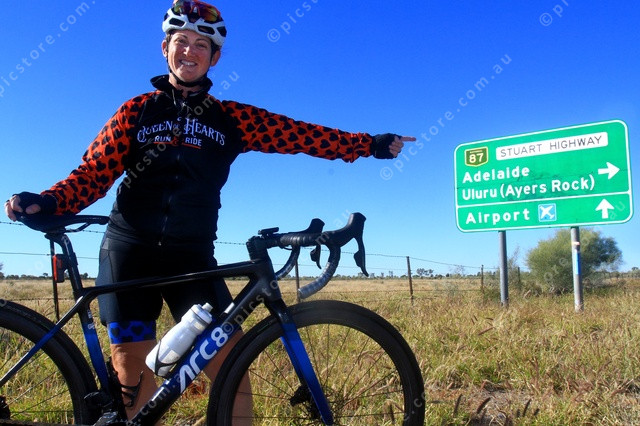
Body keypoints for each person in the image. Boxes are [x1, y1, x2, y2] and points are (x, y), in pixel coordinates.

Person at [5, 0, 415, 421]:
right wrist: (50, 201)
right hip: (130, 251)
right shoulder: (136, 111)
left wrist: (367, 144)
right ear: (165, 48)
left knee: (231, 366)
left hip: (192, 257)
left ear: (214, 58)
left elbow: (300, 135)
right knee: (132, 373)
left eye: (202, 44)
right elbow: (94, 172)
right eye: (181, 41)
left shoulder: (230, 118)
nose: (190, 51)